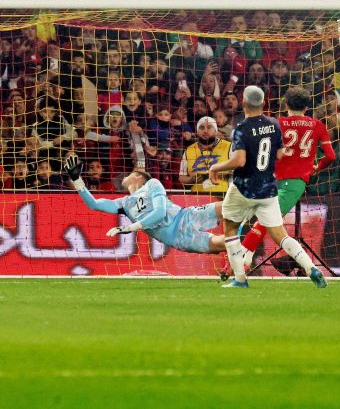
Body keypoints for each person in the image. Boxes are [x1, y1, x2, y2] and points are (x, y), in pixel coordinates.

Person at [208, 85, 326, 289]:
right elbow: (280, 154)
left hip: (245, 185)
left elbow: (239, 161)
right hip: (269, 187)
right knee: (279, 234)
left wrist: (216, 167)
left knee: (231, 230)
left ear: (243, 103)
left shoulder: (241, 128)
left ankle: (239, 277)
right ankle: (311, 268)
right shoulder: (274, 125)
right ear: (263, 103)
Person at [62, 154, 226, 254]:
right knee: (222, 244)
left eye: (130, 173)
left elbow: (160, 212)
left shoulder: (152, 184)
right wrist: (77, 180)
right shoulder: (124, 204)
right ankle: (247, 245)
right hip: (179, 238)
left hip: (186, 216)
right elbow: (94, 204)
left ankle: (252, 209)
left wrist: (132, 227)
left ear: (139, 177)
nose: (125, 175)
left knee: (228, 207)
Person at [179, 116, 231, 193]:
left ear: (216, 131)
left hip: (223, 195)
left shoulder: (229, 147)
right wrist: (191, 179)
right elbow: (182, 177)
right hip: (197, 197)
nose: (205, 131)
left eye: (209, 127)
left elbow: (239, 172)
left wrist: (220, 172)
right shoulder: (189, 150)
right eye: (201, 128)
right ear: (197, 131)